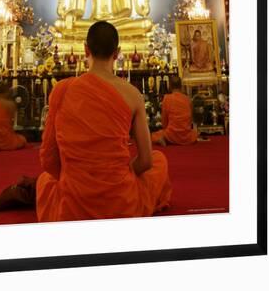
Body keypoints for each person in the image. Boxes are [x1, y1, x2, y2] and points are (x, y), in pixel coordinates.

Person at [36, 21, 172, 222]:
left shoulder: (62, 90)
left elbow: (48, 158)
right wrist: (117, 177)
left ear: (85, 49)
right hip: (121, 203)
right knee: (159, 160)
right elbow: (145, 161)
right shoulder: (133, 95)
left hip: (73, 204)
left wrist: (76, 178)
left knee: (44, 180)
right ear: (117, 53)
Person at [151, 76, 197, 146]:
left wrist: (165, 131)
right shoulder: (187, 99)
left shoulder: (167, 98)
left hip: (172, 134)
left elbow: (164, 121)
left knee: (153, 135)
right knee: (195, 133)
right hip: (187, 136)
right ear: (181, 86)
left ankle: (164, 139)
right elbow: (190, 120)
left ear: (170, 86)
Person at [0, 82, 27, 151]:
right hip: (7, 142)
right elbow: (11, 125)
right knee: (23, 139)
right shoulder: (10, 105)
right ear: (8, 92)